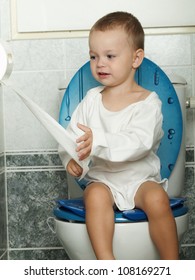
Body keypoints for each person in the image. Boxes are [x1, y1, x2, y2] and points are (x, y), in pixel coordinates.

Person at [60, 11, 179, 260]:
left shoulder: (147, 102)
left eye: (110, 56)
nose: (99, 63)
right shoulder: (91, 101)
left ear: (136, 58)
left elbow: (141, 142)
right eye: (93, 56)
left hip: (140, 180)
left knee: (157, 198)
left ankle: (172, 264)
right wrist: (73, 158)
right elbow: (72, 137)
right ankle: (107, 265)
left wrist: (99, 141)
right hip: (104, 180)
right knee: (93, 196)